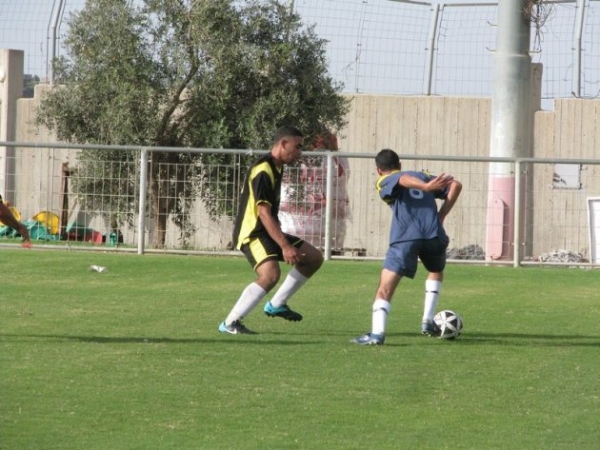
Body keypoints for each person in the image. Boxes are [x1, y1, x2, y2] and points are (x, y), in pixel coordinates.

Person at [219, 125, 324, 335]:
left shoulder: (277, 166)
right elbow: (263, 213)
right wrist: (284, 246)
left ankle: (277, 304)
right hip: (253, 233)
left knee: (313, 258)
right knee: (270, 274)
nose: (300, 152)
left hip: (267, 231)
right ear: (284, 143)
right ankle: (230, 323)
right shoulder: (263, 169)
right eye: (297, 146)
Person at [351, 149, 462, 345]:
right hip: (434, 235)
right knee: (435, 270)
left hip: (405, 238)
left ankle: (377, 334)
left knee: (385, 287)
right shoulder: (422, 175)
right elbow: (456, 184)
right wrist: (441, 214)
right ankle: (427, 321)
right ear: (400, 164)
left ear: (378, 170)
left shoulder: (384, 180)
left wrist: (426, 187)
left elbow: (400, 179)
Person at [279, 132, 350, 250]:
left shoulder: (331, 160)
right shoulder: (296, 161)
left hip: (323, 224)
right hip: (297, 226)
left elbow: (341, 175)